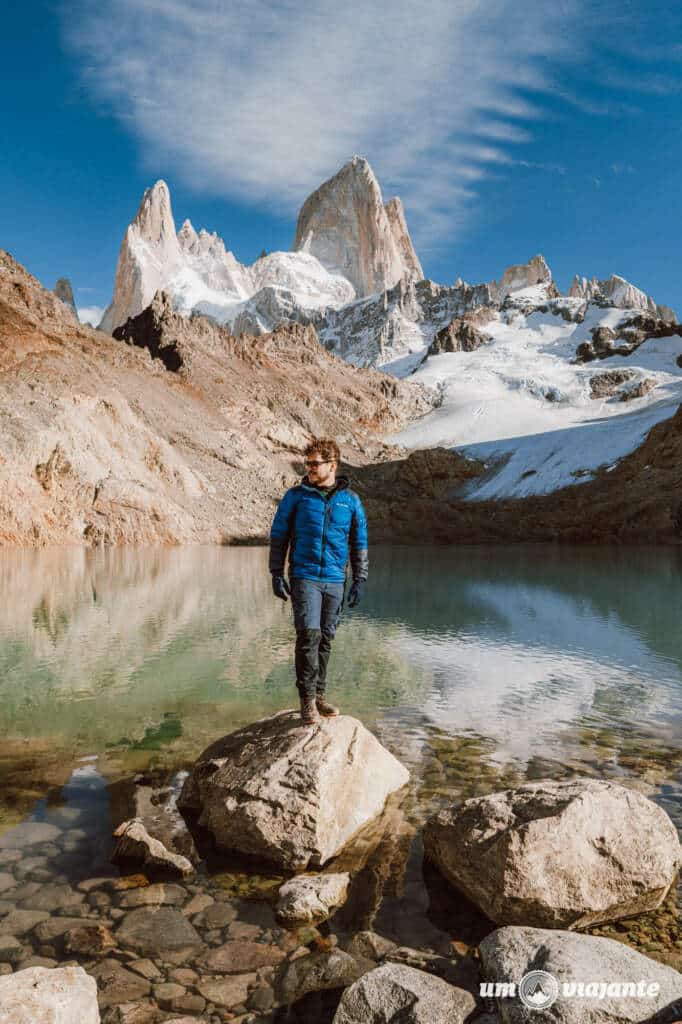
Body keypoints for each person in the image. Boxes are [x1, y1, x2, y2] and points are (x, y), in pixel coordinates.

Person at [269, 437, 368, 725]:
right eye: (307, 463)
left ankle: (320, 696)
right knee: (308, 636)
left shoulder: (351, 501)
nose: (309, 468)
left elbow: (359, 542)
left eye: (315, 463)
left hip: (336, 579)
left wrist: (359, 579)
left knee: (326, 638)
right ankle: (307, 702)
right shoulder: (296, 497)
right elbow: (279, 535)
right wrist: (276, 573)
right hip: (305, 575)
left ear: (332, 465)